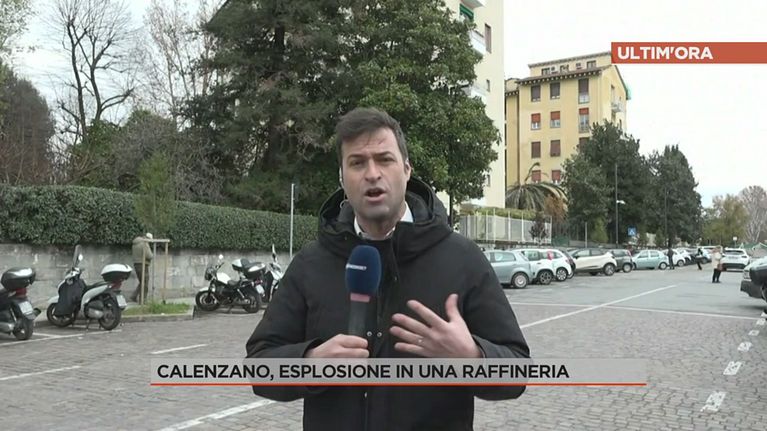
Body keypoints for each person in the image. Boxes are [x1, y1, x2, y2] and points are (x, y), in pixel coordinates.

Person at [245, 107, 530, 431]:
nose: (372, 173)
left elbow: (518, 369)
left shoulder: (462, 258)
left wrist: (472, 359)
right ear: (342, 177)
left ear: (406, 170)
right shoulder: (312, 262)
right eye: (357, 163)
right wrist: (310, 364)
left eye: (384, 159)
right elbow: (258, 365)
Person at [131, 233, 154, 302]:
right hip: (143, 265)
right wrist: (152, 255)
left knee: (142, 282)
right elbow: (149, 255)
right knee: (145, 282)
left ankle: (134, 296)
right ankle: (143, 299)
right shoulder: (144, 243)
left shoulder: (135, 243)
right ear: (148, 238)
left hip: (136, 264)